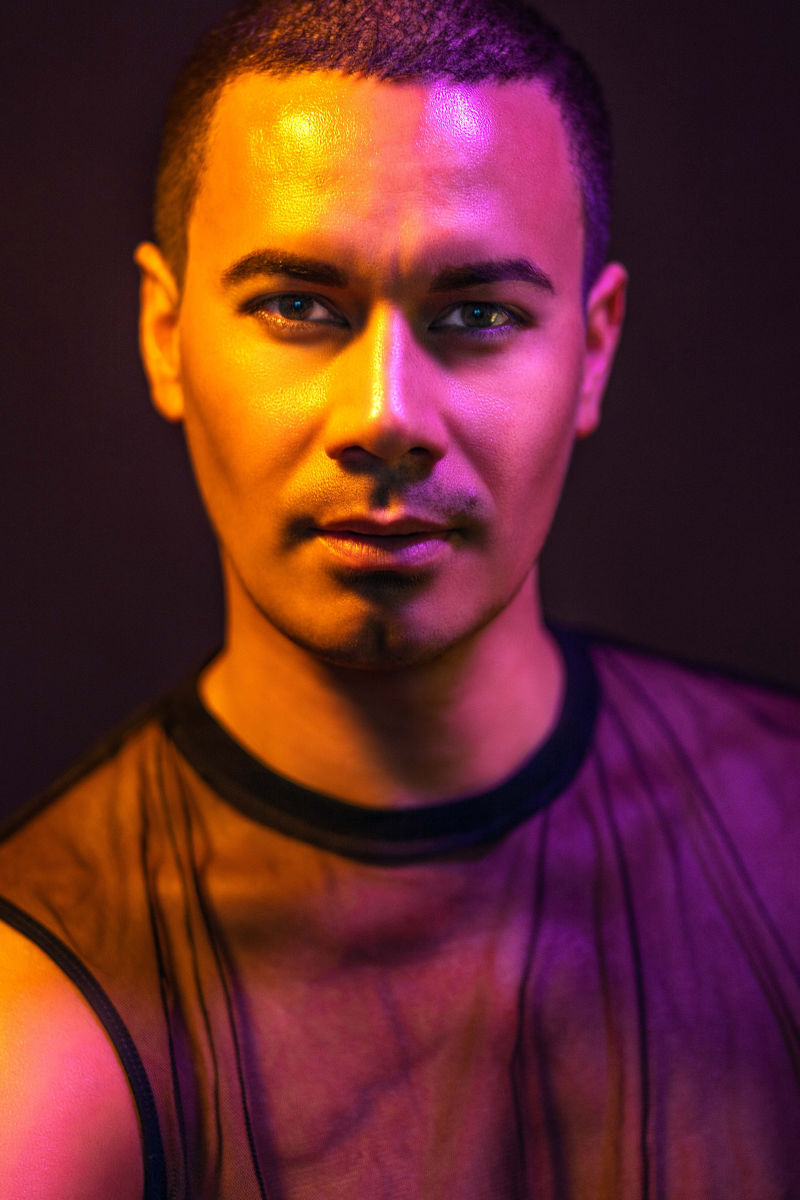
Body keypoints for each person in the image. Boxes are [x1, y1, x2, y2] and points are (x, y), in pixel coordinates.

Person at [1, 0, 798, 1195]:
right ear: (166, 334)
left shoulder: (783, 836)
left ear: (591, 351)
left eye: (476, 314)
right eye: (297, 306)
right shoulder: (41, 1034)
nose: (384, 416)